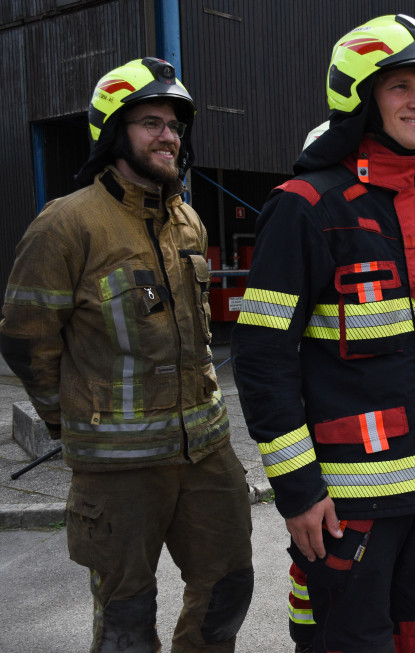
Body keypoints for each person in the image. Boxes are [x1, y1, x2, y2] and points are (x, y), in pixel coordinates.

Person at [231, 15, 415, 653]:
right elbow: (263, 361)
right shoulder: (306, 207)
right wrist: (297, 491)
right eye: (399, 85)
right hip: (352, 501)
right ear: (358, 97)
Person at [0, 57, 253, 651]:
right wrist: (66, 419)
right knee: (127, 617)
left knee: (229, 587)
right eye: (150, 123)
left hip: (206, 450)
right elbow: (24, 333)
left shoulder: (186, 220)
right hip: (117, 466)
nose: (168, 136)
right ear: (115, 133)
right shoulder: (66, 224)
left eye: (174, 124)